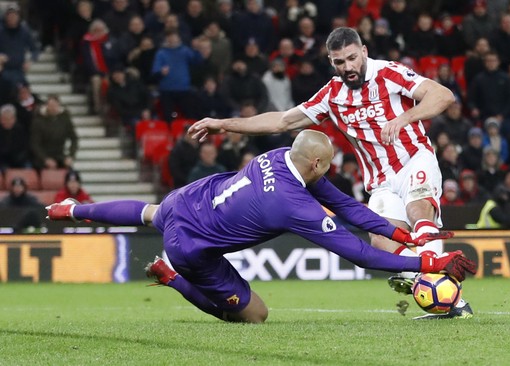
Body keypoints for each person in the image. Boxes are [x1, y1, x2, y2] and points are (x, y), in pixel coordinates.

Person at [46, 130, 475, 323]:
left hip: (190, 199)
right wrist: (429, 261)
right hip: (191, 247)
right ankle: (172, 277)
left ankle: (74, 210)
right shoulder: (294, 207)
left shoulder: (278, 157)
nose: (330, 171)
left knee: (148, 211)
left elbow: (344, 204)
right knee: (254, 315)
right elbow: (358, 253)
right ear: (315, 163)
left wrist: (401, 234)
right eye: (327, 166)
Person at [191, 27, 474, 319]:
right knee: (381, 241)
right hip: (381, 180)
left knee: (418, 213)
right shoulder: (332, 95)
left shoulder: (390, 73)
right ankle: (432, 285)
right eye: (340, 62)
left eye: (352, 58)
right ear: (331, 62)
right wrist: (224, 124)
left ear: (364, 51)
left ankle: (451, 298)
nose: (348, 67)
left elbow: (443, 95)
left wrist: (404, 118)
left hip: (414, 159)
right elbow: (281, 121)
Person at [30, 95, 79, 171]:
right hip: (42, 158)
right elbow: (35, 144)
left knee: (71, 174)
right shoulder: (38, 121)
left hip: (60, 155)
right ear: (46, 106)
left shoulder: (65, 119)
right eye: (51, 105)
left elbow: (74, 138)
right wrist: (45, 159)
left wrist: (70, 156)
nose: (53, 108)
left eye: (55, 105)